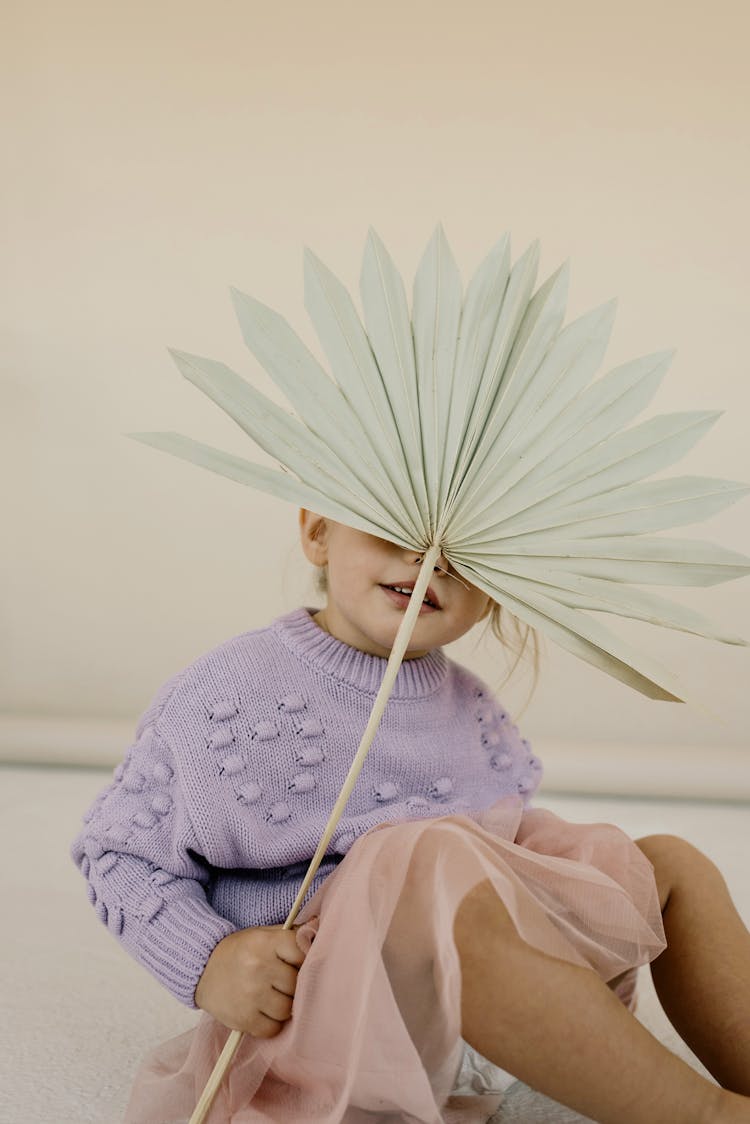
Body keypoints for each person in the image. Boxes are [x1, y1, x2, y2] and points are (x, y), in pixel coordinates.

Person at [71, 510, 750, 1124]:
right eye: (396, 523)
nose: (431, 560)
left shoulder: (475, 714)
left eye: (470, 548)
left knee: (668, 862)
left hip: (472, 1014)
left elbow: (505, 867)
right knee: (424, 858)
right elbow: (117, 853)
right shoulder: (228, 692)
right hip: (321, 1020)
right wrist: (209, 960)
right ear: (318, 533)